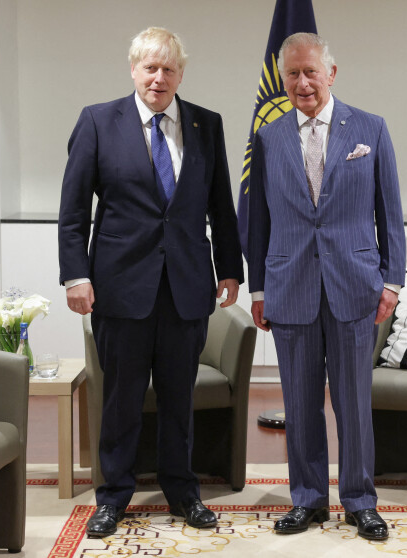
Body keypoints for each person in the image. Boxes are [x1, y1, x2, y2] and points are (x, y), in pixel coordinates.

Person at [58, 27, 243, 538]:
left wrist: (230, 267)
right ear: (133, 69)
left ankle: (183, 491)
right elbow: (74, 210)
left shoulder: (207, 124)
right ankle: (113, 496)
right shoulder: (98, 122)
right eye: (150, 67)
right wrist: (75, 274)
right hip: (120, 288)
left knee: (180, 398)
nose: (159, 77)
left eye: (169, 69)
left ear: (181, 74)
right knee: (121, 399)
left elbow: (220, 205)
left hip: (187, 287)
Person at [246, 32, 406, 541]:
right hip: (289, 285)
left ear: (331, 73)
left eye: (310, 71)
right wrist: (257, 289)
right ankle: (309, 499)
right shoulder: (268, 139)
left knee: (354, 402)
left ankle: (359, 500)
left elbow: (391, 214)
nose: (302, 83)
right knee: (299, 402)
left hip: (355, 286)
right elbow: (257, 220)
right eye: (292, 74)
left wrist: (393, 281)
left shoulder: (370, 129)